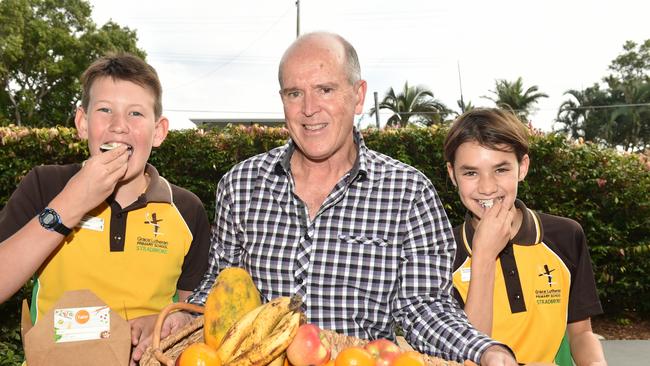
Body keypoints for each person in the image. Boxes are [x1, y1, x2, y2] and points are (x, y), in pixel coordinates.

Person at [154, 32, 516, 365]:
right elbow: (221, 284)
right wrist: (189, 314)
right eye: (294, 93)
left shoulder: (409, 193)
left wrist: (486, 350)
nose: (309, 108)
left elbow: (425, 309)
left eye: (325, 89)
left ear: (358, 96)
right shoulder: (241, 184)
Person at [0, 53, 210, 365]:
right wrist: (71, 203)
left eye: (136, 113)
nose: (119, 126)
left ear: (159, 131)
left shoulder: (186, 209)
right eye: (105, 110)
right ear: (83, 123)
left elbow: (191, 313)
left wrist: (167, 322)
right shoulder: (45, 185)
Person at [443, 108, 607, 365]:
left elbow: (581, 332)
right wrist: (484, 255)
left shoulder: (565, 236)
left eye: (501, 170)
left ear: (523, 167)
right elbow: (469, 354)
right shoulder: (441, 253)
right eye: (471, 172)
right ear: (453, 175)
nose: (487, 187)